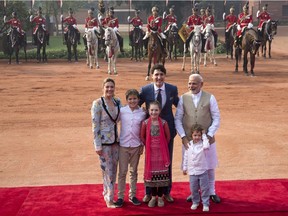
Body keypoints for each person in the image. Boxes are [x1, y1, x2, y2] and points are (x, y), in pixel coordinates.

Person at [174, 74, 221, 204]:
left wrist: (210, 134)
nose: (191, 86)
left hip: (207, 140)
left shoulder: (210, 98)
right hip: (189, 141)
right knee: (193, 166)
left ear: (201, 84)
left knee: (209, 166)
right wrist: (183, 136)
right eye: (189, 83)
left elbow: (216, 117)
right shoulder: (183, 98)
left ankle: (211, 191)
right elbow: (177, 118)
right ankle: (195, 193)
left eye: (194, 83)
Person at [139, 63, 179, 204]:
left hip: (167, 133)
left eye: (161, 74)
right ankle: (148, 193)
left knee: (166, 162)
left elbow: (179, 106)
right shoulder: (145, 90)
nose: (159, 77)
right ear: (152, 76)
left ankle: (166, 192)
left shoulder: (172, 89)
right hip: (150, 134)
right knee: (150, 161)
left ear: (165, 76)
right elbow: (136, 106)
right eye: (156, 74)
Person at [91, 78, 121, 208]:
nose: (109, 89)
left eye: (112, 87)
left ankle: (107, 193)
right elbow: (95, 125)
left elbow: (121, 117)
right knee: (107, 170)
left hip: (116, 141)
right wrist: (97, 144)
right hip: (103, 142)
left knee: (113, 169)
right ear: (103, 87)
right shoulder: (97, 103)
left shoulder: (117, 101)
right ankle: (109, 198)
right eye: (107, 87)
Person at [115, 89, 146, 207]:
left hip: (136, 146)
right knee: (122, 172)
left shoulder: (142, 113)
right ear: (126, 100)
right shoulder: (122, 111)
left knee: (134, 172)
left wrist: (142, 145)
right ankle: (120, 197)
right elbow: (114, 121)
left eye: (134, 99)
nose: (132, 101)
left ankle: (132, 195)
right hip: (123, 145)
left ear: (138, 100)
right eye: (130, 99)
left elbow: (143, 130)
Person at [140, 101, 171, 207]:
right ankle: (153, 197)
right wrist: (150, 146)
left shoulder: (163, 123)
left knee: (161, 176)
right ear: (148, 111)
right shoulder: (145, 123)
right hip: (151, 154)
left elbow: (168, 137)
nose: (154, 112)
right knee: (152, 176)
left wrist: (160, 146)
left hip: (162, 154)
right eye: (152, 110)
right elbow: (142, 136)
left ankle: (161, 197)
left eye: (156, 110)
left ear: (160, 111)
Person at [183, 124, 210, 212]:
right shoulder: (189, 145)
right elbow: (186, 156)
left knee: (205, 188)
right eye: (195, 135)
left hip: (202, 171)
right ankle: (195, 202)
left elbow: (206, 146)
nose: (197, 137)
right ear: (191, 135)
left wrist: (204, 135)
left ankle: (205, 203)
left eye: (199, 135)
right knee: (193, 188)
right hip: (192, 172)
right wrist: (184, 167)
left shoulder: (203, 144)